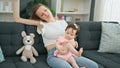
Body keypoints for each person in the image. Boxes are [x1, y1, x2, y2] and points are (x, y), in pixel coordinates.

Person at [13, 0, 98, 68]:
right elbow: (17, 19)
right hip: (54, 55)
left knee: (94, 66)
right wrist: (15, 1)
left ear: (48, 9)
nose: (45, 14)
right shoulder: (41, 25)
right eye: (42, 14)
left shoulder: (63, 22)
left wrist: (73, 43)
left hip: (69, 53)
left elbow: (71, 38)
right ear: (40, 18)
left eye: (45, 10)